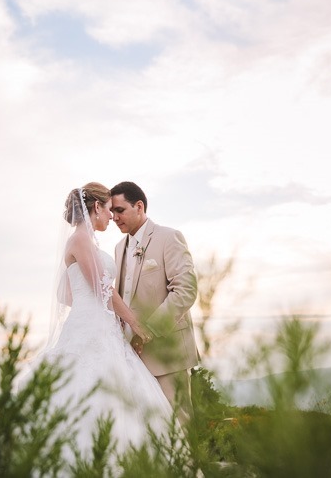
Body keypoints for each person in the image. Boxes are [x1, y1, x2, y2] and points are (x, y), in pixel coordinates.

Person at [32, 182, 177, 467]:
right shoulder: (80, 240)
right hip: (93, 331)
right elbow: (104, 289)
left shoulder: (84, 242)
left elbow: (66, 293)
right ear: (96, 207)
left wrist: (90, 306)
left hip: (98, 325)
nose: (112, 217)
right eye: (109, 210)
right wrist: (134, 322)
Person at [111, 181, 199, 424]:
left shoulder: (168, 237)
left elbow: (186, 290)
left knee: (178, 424)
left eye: (120, 211)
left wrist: (147, 331)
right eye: (112, 213)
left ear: (139, 206)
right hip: (129, 355)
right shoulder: (119, 248)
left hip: (166, 352)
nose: (114, 218)